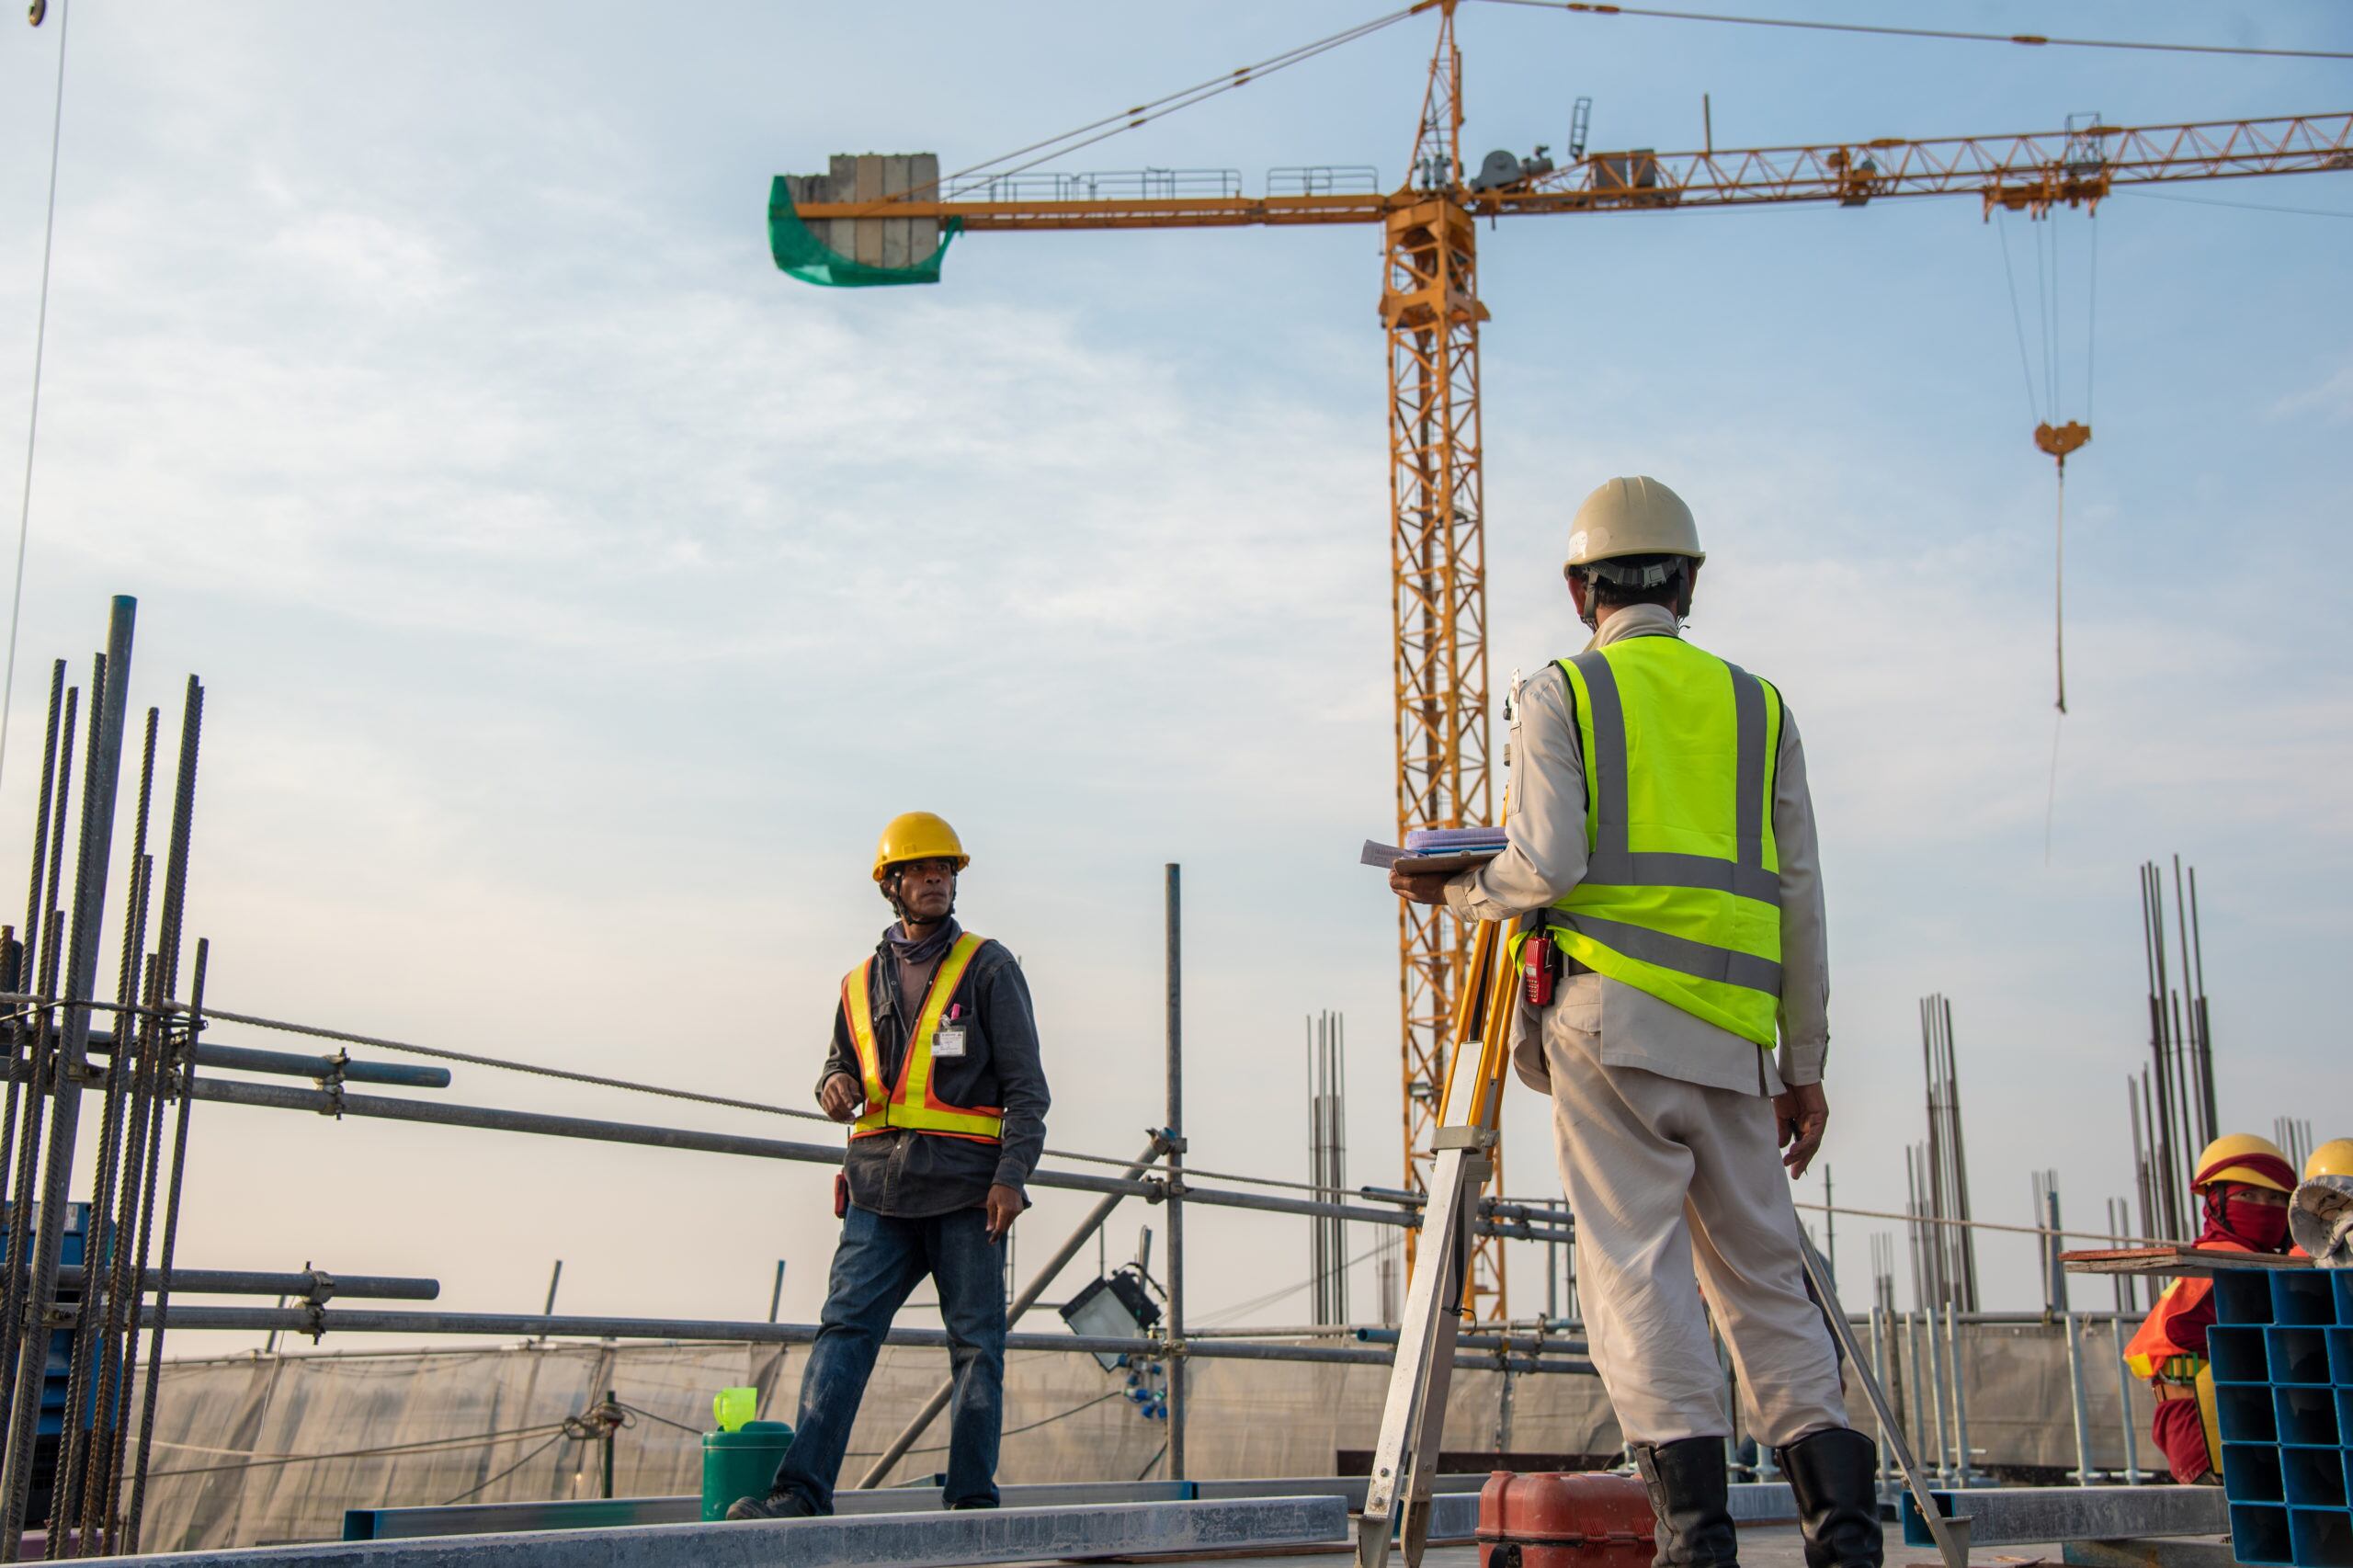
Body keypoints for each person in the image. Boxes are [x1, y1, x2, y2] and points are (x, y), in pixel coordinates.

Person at [1392, 476, 1876, 1568]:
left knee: (1635, 1267)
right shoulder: (1761, 707)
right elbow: (1801, 894)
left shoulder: (1561, 691)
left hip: (1611, 1022)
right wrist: (1804, 1061)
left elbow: (1545, 863)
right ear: (1689, 582)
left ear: (1580, 590)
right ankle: (1842, 1534)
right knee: (1765, 1276)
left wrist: (1456, 888)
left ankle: (1697, 1538)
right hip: (1742, 1038)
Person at [729, 812, 1050, 1519]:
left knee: (976, 1350)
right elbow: (839, 1068)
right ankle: (801, 1493)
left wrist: (1011, 1178)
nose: (937, 879)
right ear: (892, 884)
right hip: (877, 1191)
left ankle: (971, 1502)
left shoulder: (989, 968)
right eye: (922, 869)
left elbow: (1029, 1091)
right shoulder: (856, 984)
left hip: (967, 1193)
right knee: (844, 1335)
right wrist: (831, 1088)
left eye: (947, 870)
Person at [2122, 1132, 2296, 1484]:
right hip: (2203, 1425)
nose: (2264, 1207)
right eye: (2248, 1195)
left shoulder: (2254, 1265)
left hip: (2232, 1419)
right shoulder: (2226, 1264)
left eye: (2277, 1199)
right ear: (2215, 1203)